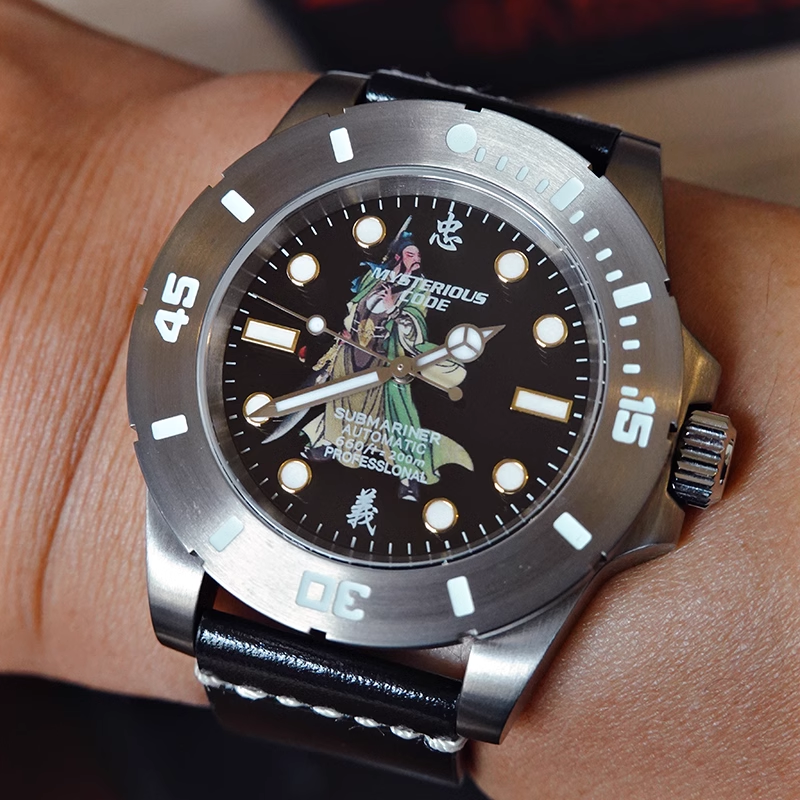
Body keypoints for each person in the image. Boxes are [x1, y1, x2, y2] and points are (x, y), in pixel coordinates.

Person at [1, 1, 799, 797]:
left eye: (411, 264)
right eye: (405, 263)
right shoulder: (375, 289)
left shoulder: (416, 310)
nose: (407, 268)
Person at [299, 225, 472, 501]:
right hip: (353, 349)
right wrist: (348, 329)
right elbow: (355, 305)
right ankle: (330, 443)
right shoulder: (373, 276)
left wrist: (394, 310)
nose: (417, 259)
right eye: (411, 254)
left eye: (418, 255)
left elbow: (417, 325)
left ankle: (408, 475)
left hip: (388, 359)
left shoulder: (420, 287)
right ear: (398, 256)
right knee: (341, 400)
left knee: (395, 417)